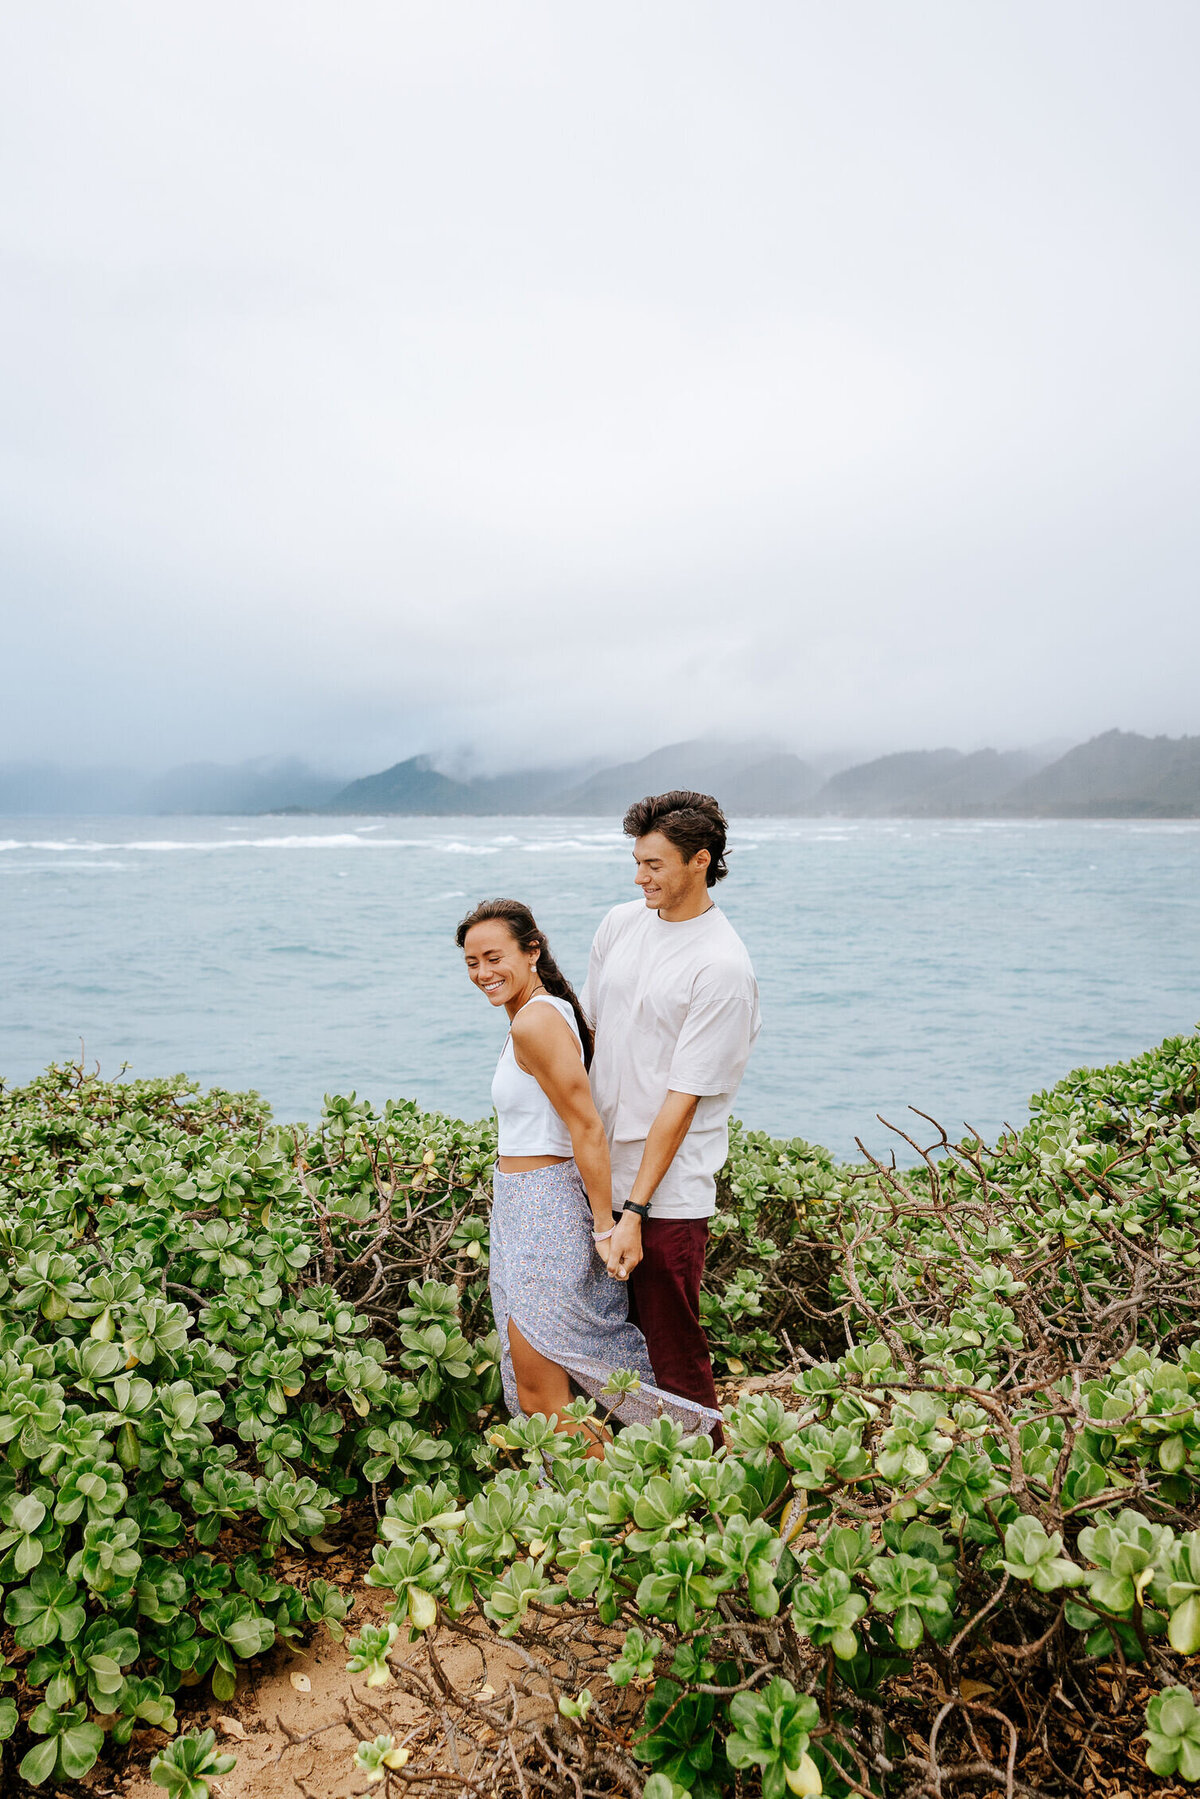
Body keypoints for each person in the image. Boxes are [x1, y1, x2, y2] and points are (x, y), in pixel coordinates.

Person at [456, 897, 721, 1452]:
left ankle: (620, 1506)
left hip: (545, 1210)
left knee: (544, 1397)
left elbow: (588, 1128)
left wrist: (607, 1224)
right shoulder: (540, 1015)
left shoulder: (536, 1021)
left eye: (493, 957)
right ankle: (628, 1493)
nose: (482, 973)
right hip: (524, 1207)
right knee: (548, 1390)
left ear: (533, 951)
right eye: (472, 962)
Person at [581, 792, 760, 1435]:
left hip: (668, 1193)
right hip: (600, 1171)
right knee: (600, 1339)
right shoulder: (619, 925)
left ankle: (707, 1486)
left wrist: (636, 1210)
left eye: (654, 864)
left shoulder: (722, 966)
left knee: (671, 1349)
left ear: (700, 862)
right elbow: (593, 1039)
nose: (639, 878)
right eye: (637, 861)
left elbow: (682, 1102)